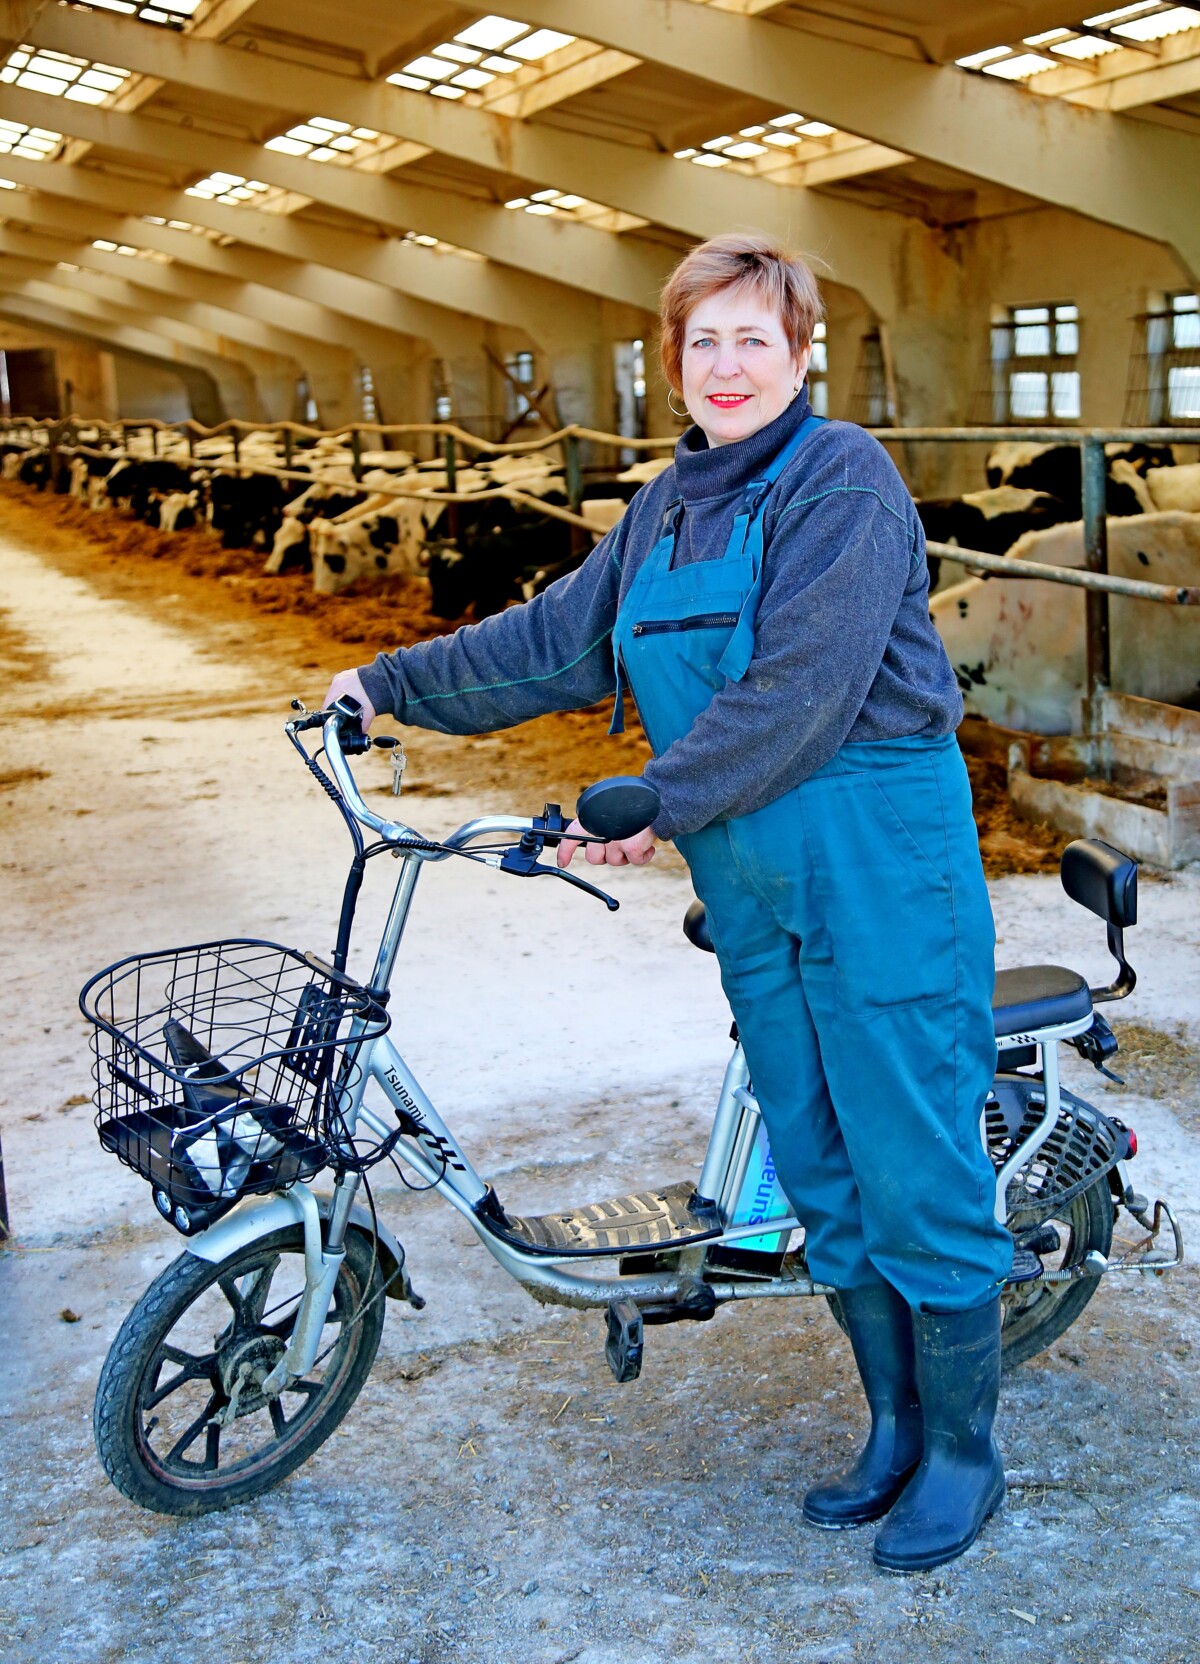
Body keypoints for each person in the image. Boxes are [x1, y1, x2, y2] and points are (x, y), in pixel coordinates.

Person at [325, 232, 1013, 1573]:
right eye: (706, 341)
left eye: (756, 338)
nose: (729, 365)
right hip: (750, 868)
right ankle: (893, 1427)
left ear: (802, 353)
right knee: (815, 1161)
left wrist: (654, 799)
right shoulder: (666, 507)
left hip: (876, 855)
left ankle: (966, 1455)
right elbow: (555, 642)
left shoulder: (844, 480)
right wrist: (390, 684)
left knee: (912, 1155)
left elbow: (803, 690)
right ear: (673, 362)